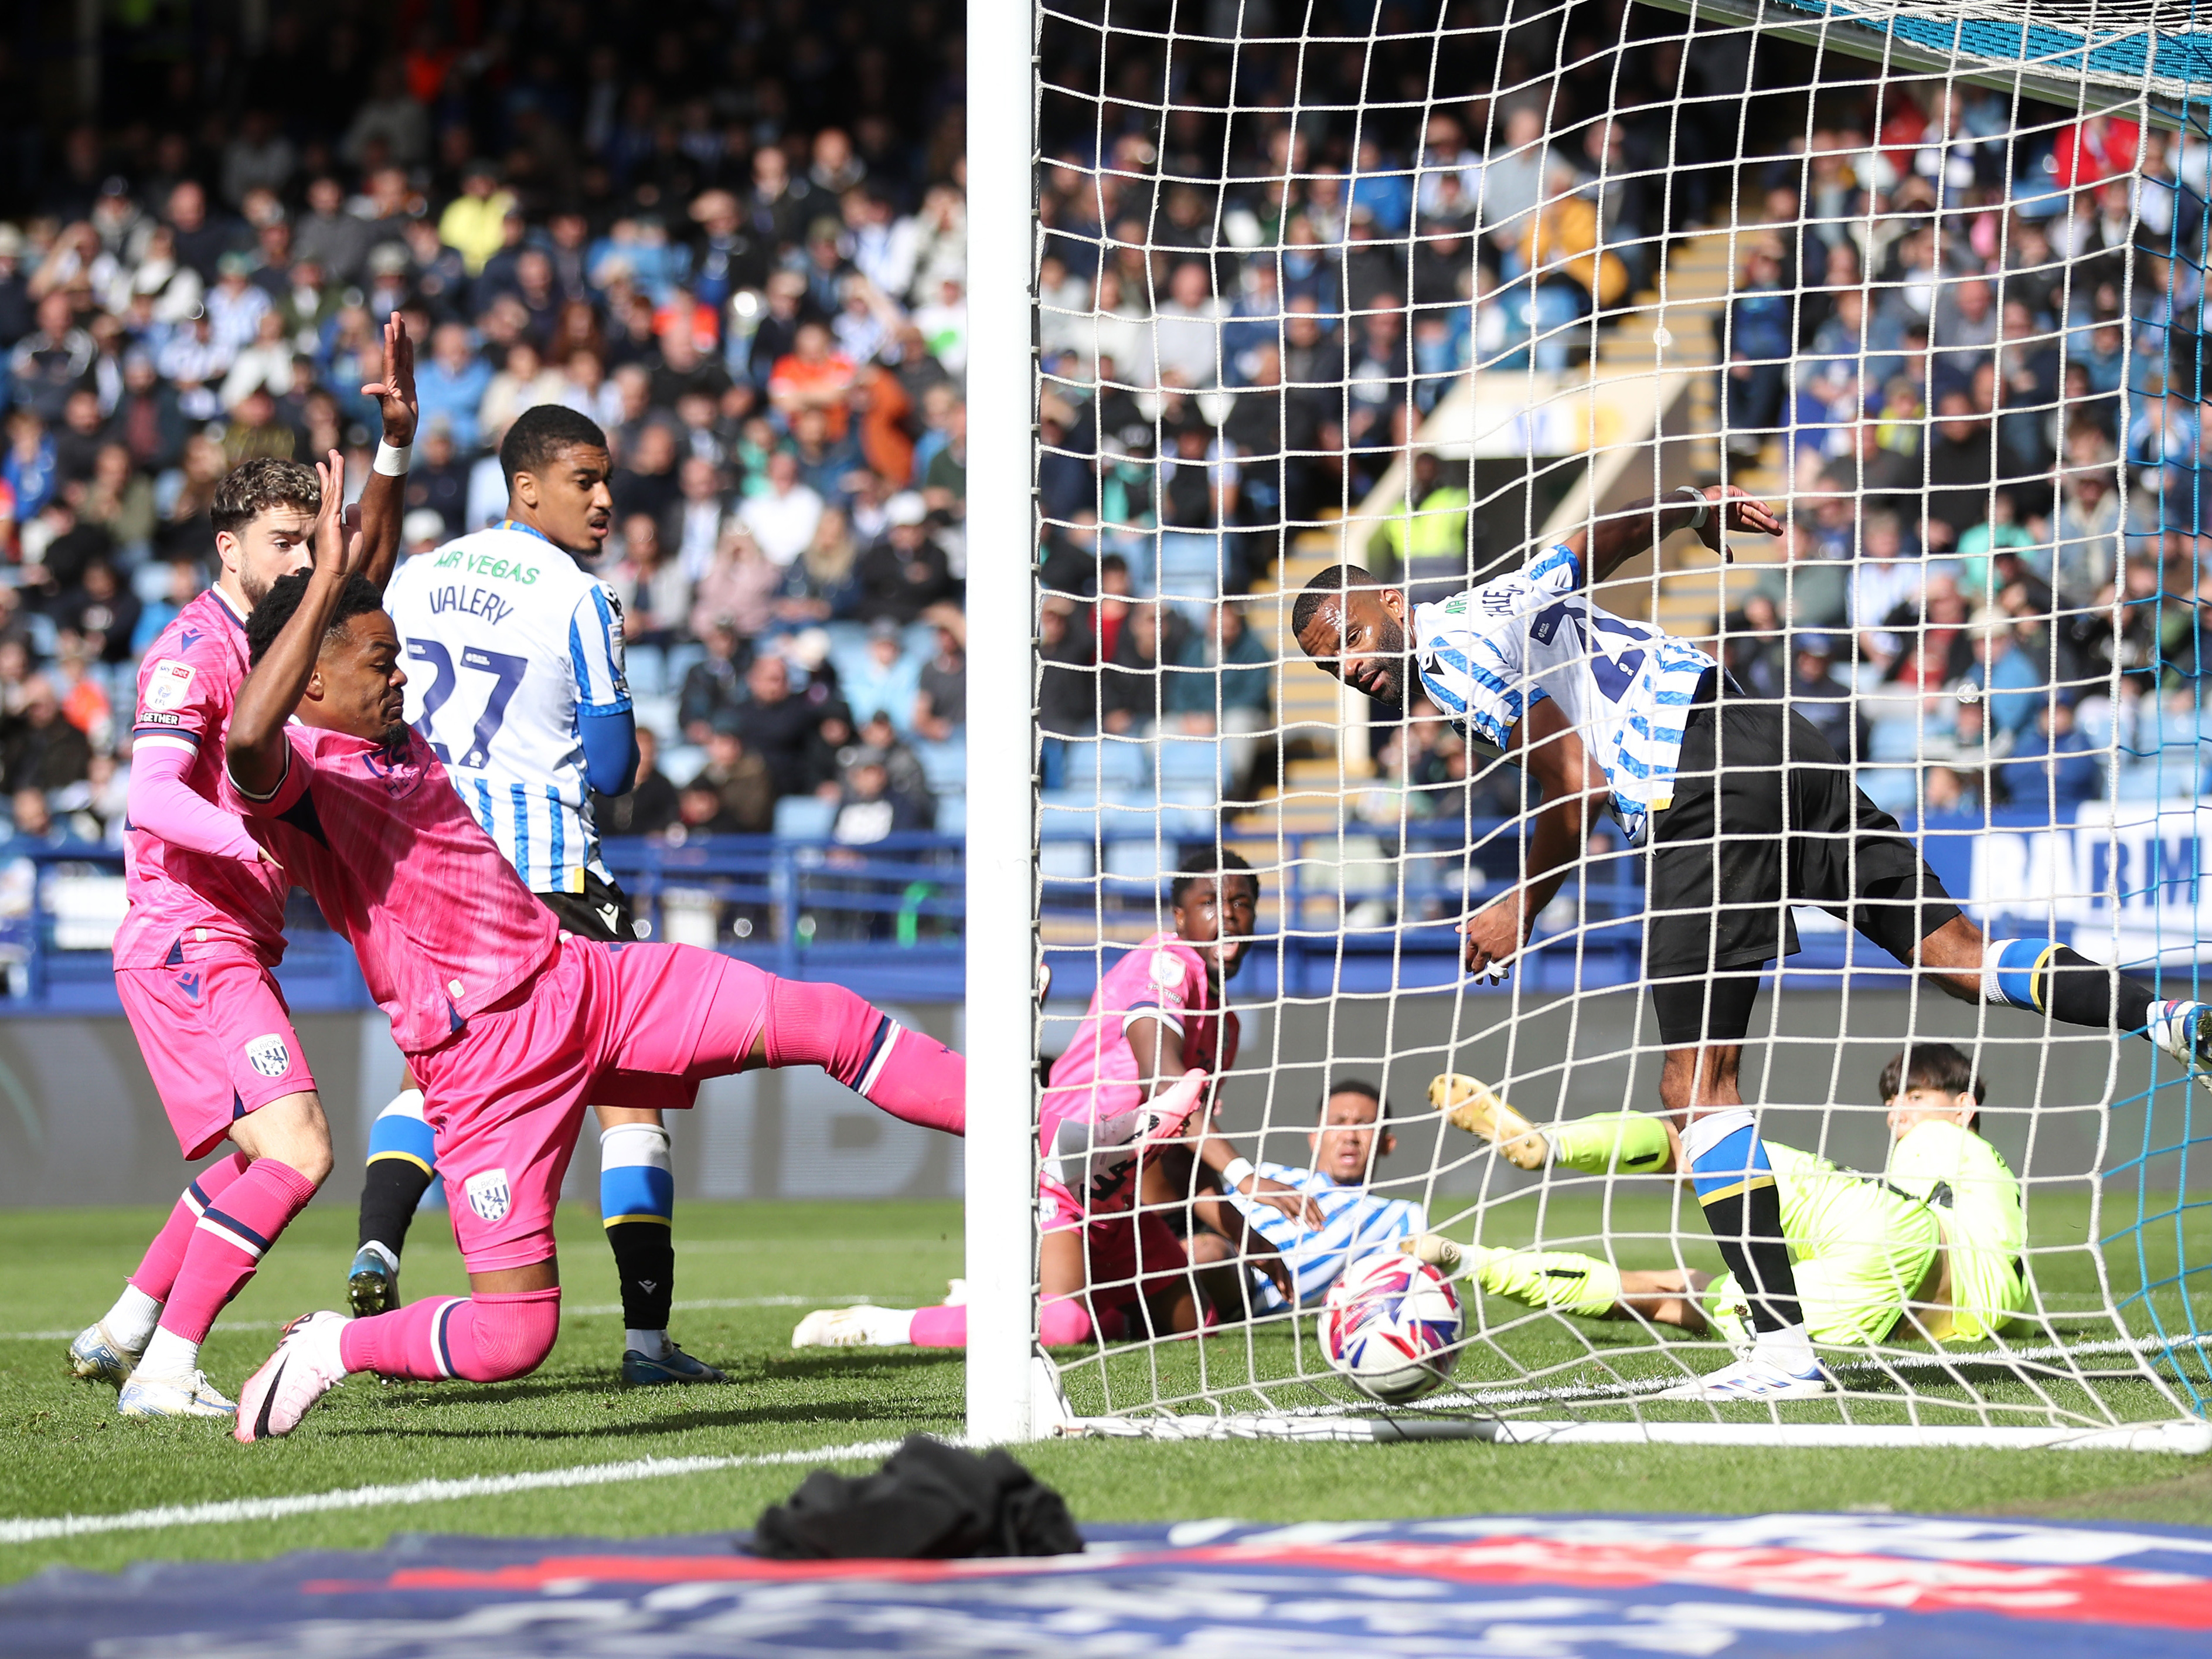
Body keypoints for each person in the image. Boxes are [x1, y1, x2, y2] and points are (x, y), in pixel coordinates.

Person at [1291, 481, 2212, 1400]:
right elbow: (1593, 535)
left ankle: (1778, 1350)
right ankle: (2170, 1018)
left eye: (1356, 639)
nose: (1356, 668)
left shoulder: (1450, 657)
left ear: (1388, 601)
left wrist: (1518, 908)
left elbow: (1576, 784)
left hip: (1697, 789)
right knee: (1959, 958)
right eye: (1336, 665)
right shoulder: (1492, 595)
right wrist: (1688, 503)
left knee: (1696, 1090)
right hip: (1782, 743)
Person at [220, 472, 966, 1440]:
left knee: (827, 1020)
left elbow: (363, 593)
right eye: (381, 665)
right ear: (311, 679)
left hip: (582, 976)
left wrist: (393, 456)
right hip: (487, 1059)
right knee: (511, 1337)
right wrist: (321, 594)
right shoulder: (305, 781)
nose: (403, 676)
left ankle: (1019, 1127)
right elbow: (246, 736)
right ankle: (329, 1346)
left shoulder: (389, 728)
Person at [64, 317, 416, 1421]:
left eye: (309, 544)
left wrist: (392, 451)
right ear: (228, 549)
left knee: (246, 1163)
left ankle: (124, 1329)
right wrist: (263, 846)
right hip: (185, 932)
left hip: (227, 933)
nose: (303, 565)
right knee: (300, 1149)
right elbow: (156, 797)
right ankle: (168, 1369)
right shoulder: (192, 651)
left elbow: (368, 571)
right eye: (281, 544)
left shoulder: (284, 637)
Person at [361, 404, 713, 1386]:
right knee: (629, 1097)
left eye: (607, 484)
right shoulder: (578, 596)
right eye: (586, 481)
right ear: (528, 486)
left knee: (432, 1080)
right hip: (550, 874)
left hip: (429, 878)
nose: (605, 502)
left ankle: (378, 1246)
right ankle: (646, 1344)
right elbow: (608, 769)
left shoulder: (420, 574)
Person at [792, 851, 1313, 1351]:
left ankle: (1002, 1301)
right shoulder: (1167, 965)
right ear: (1179, 916)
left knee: (1195, 1326)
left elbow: (1181, 1161)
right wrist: (1246, 1174)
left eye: (1241, 903)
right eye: (1209, 901)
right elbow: (1166, 1085)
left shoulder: (1226, 1028)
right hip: (1054, 1181)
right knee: (1062, 1326)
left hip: (1117, 1206)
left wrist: (1247, 1237)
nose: (1227, 913)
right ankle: (876, 1326)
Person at [1419, 1042, 2026, 1349]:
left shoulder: (1945, 1142)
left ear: (1965, 1106)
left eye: (1915, 1097)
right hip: (1885, 1294)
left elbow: (1921, 1195)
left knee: (1703, 1144)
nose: (1898, 1111)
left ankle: (1550, 1144)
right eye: (1893, 1099)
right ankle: (1472, 1260)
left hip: (1890, 1229)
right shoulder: (2004, 1232)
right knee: (1690, 1292)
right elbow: (2011, 1298)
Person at [1193, 1079, 1428, 1317]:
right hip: (1203, 1237)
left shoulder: (1397, 1214)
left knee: (1207, 1251)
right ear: (1315, 1139)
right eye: (1338, 1123)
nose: (1350, 1136)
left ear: (1387, 1144)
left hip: (1248, 1282)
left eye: (1365, 1125)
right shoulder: (1265, 1173)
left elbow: (1409, 1278)